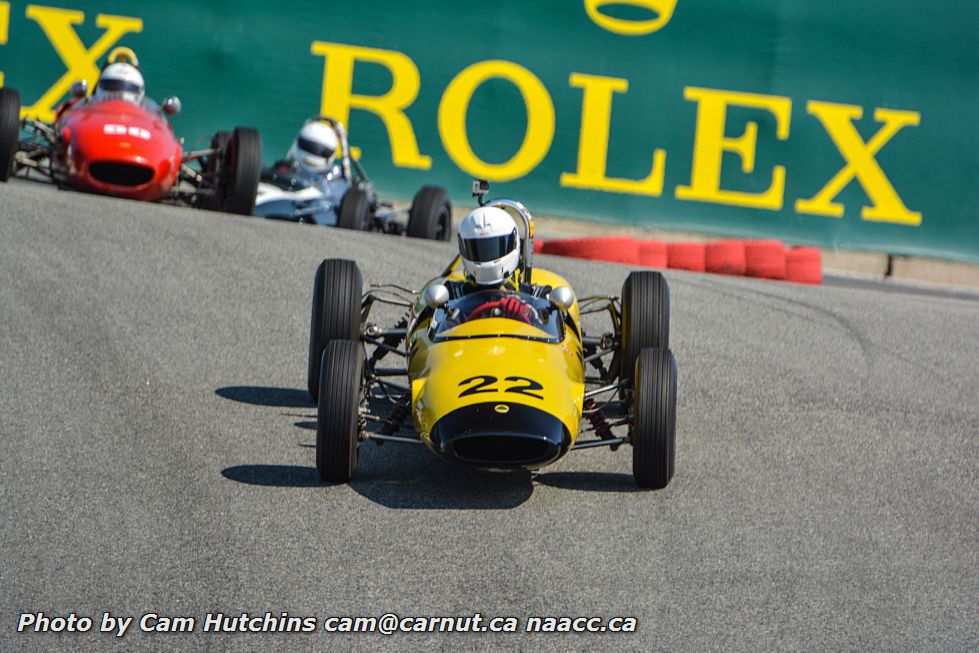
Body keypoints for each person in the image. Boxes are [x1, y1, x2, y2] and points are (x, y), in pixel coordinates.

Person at [453, 206, 540, 325]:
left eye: (493, 248)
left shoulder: (534, 297)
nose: (486, 256)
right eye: (478, 249)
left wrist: (528, 313)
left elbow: (548, 324)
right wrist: (454, 314)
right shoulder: (453, 295)